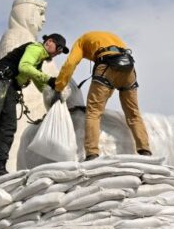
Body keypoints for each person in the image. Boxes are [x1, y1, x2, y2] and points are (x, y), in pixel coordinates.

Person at [53, 31, 151, 160]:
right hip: (128, 68)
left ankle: (91, 153)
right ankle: (145, 150)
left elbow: (70, 64)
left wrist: (59, 87)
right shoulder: (112, 36)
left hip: (106, 66)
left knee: (93, 112)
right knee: (133, 113)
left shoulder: (81, 41)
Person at [0, 33, 69, 180]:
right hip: (3, 85)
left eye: (61, 51)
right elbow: (24, 67)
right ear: (49, 42)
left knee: (3, 129)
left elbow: (39, 83)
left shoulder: (39, 59)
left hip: (2, 86)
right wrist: (49, 79)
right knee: (7, 128)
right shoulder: (36, 48)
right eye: (59, 48)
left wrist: (53, 93)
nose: (58, 53)